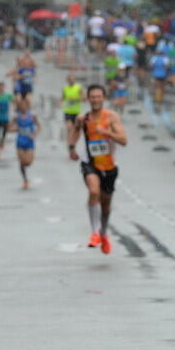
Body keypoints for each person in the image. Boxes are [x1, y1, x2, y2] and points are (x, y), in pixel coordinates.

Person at [68, 85, 128, 253]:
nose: (95, 99)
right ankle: (94, 233)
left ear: (104, 98)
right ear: (88, 99)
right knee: (94, 192)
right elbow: (75, 132)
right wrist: (71, 148)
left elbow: (123, 140)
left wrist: (108, 133)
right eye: (92, 97)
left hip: (109, 166)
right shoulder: (83, 118)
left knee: (106, 204)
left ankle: (103, 233)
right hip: (90, 163)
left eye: (98, 96)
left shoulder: (111, 117)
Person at [11, 99, 39, 190]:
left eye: (25, 105)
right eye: (21, 105)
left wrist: (34, 134)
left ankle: (25, 178)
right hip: (20, 141)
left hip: (29, 141)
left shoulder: (32, 116)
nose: (23, 107)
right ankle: (25, 180)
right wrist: (15, 129)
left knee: (28, 162)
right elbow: (9, 127)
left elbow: (39, 126)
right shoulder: (16, 117)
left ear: (27, 106)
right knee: (22, 162)